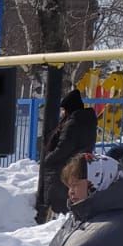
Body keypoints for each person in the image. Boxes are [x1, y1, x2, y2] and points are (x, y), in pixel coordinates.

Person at [38, 87, 98, 222]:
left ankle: (56, 220)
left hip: (64, 166)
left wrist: (47, 159)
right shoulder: (88, 120)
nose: (63, 113)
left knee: (60, 202)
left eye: (64, 110)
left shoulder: (73, 123)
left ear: (69, 108)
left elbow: (63, 148)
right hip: (80, 164)